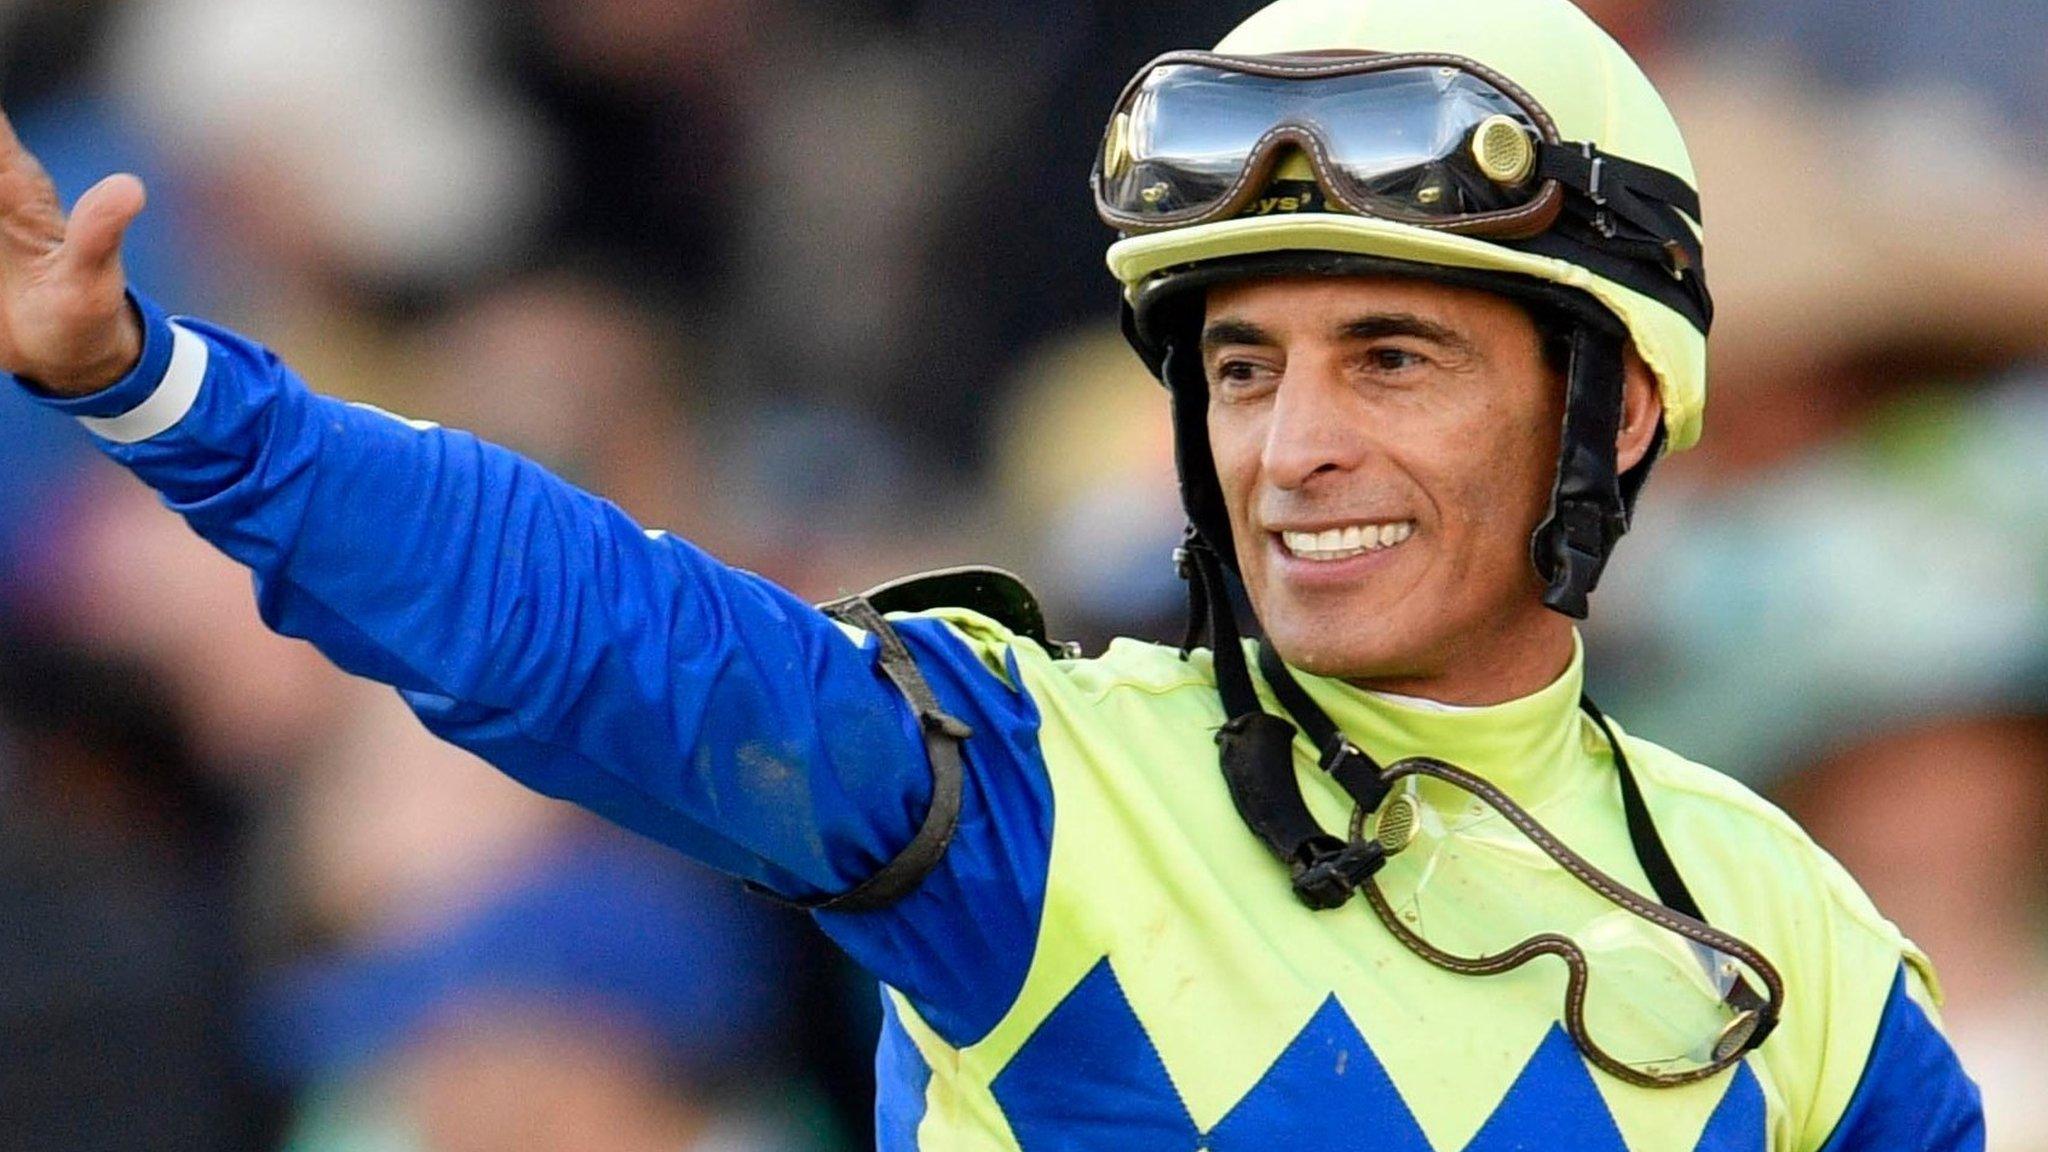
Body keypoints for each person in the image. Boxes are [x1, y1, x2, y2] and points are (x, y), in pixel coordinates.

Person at [0, 0, 1985, 1147]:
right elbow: (591, 627)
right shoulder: (1022, 785)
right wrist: (164, 390)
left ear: (1613, 417)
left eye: (1390, 361)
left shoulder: (1790, 926)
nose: (1291, 448)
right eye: (1238, 367)